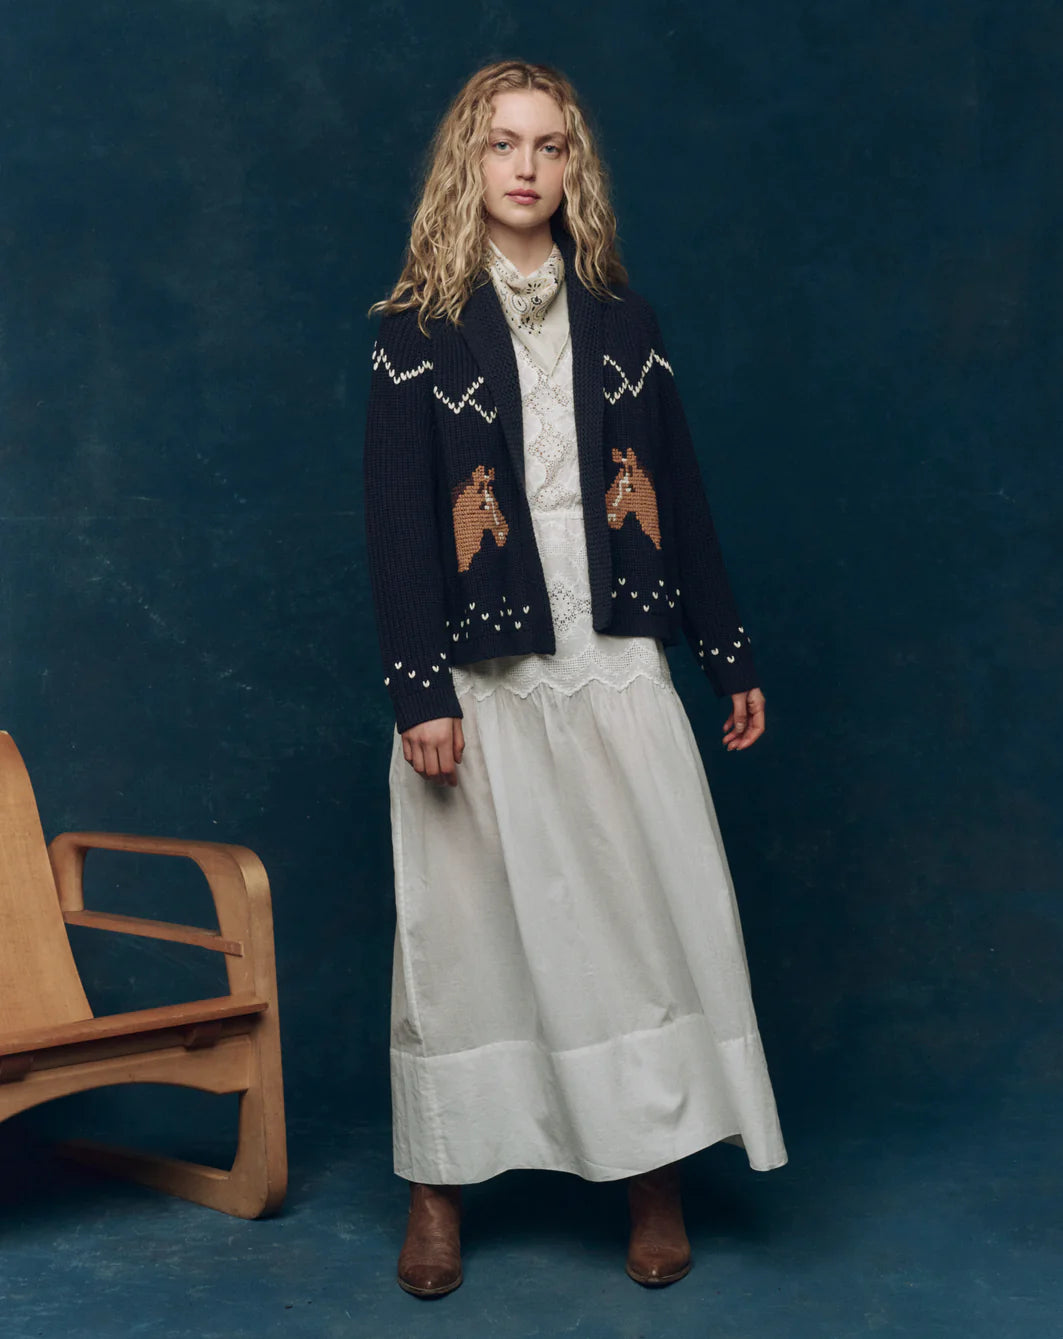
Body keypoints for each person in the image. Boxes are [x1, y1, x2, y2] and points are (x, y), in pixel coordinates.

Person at [363, 58, 787, 1298]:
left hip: (615, 657)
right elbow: (395, 522)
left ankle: (649, 1172)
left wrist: (728, 652)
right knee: (464, 931)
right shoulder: (416, 334)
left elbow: (684, 494)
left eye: (550, 147)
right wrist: (419, 690)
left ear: (573, 170)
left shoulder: (624, 326)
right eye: (504, 145)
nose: (527, 168)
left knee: (636, 914)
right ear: (469, 163)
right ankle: (439, 1183)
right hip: (480, 675)